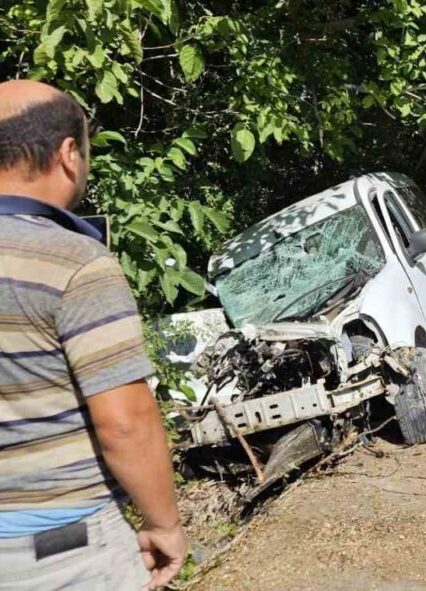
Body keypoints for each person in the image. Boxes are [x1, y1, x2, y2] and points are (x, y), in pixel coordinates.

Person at [0, 80, 186, 589]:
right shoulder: (74, 263)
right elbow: (124, 423)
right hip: (58, 555)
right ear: (67, 155)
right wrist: (163, 523)